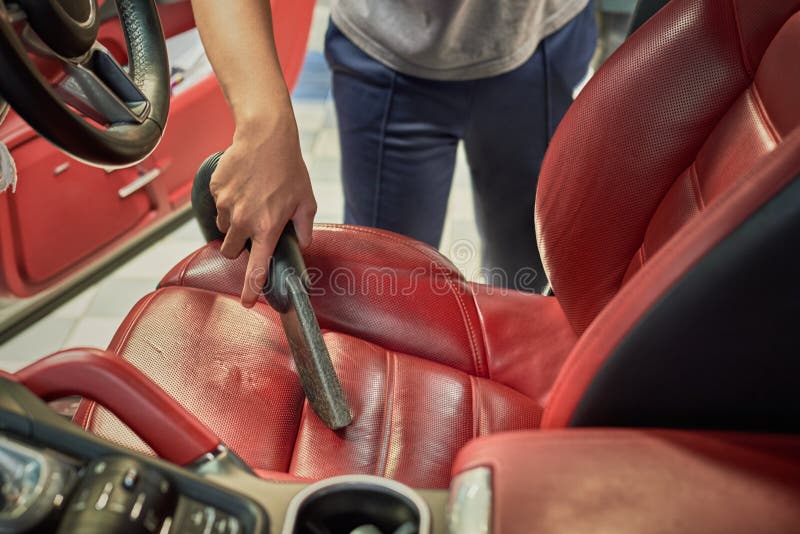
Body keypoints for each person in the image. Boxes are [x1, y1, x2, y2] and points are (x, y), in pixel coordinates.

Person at [190, 0, 597, 305]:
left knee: (530, 280)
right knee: (387, 294)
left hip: (540, 33)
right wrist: (265, 124)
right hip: (389, 53)